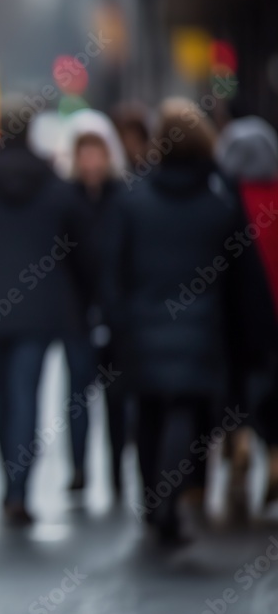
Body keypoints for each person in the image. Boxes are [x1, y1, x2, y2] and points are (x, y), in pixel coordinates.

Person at [101, 98, 262, 544]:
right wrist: (251, 334)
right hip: (202, 330)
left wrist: (117, 324)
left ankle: (154, 502)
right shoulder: (221, 200)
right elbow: (242, 277)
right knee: (190, 415)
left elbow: (112, 269)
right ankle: (177, 497)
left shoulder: (134, 200)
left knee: (149, 414)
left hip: (143, 330)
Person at [0, 115, 92, 524]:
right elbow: (80, 252)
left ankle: (8, 486)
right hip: (43, 309)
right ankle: (19, 489)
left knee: (2, 399)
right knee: (27, 395)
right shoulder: (58, 189)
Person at [56, 110, 130, 498]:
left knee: (118, 397)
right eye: (84, 154)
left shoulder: (124, 198)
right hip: (76, 313)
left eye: (96, 153)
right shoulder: (65, 199)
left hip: (117, 313)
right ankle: (80, 467)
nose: (91, 162)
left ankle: (118, 469)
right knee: (77, 395)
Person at [215, 116, 278, 518]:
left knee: (236, 386)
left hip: (235, 314)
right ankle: (274, 453)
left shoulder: (225, 200)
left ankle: (237, 444)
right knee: (273, 389)